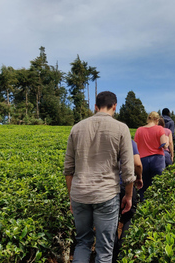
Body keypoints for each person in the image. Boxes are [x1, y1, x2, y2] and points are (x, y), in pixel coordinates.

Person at [64, 91, 135, 263]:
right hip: (106, 195)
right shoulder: (121, 128)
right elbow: (127, 168)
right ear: (114, 106)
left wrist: (71, 196)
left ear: (95, 107)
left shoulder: (76, 128)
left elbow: (68, 169)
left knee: (82, 243)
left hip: (79, 194)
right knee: (104, 249)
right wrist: (128, 195)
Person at [112, 140, 143, 262]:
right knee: (129, 217)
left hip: (109, 187)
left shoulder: (103, 140)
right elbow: (137, 164)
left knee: (111, 219)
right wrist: (139, 178)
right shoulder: (129, 141)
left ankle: (112, 254)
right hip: (126, 186)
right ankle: (123, 251)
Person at [134, 111, 167, 202]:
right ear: (157, 120)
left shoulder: (139, 130)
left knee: (143, 186)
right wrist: (167, 141)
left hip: (143, 160)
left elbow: (135, 147)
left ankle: (143, 206)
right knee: (158, 186)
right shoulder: (160, 128)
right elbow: (164, 145)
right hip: (157, 160)